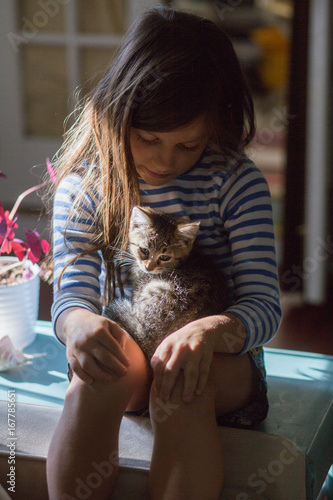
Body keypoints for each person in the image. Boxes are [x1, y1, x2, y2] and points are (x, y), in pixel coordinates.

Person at [46, 6, 282, 500]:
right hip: (130, 355)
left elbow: (264, 306)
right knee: (97, 377)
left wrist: (211, 329)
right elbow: (73, 297)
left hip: (220, 364)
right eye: (148, 139)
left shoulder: (235, 184)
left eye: (188, 145)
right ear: (116, 112)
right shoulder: (90, 185)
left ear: (215, 126)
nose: (162, 160)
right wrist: (78, 326)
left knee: (179, 383)